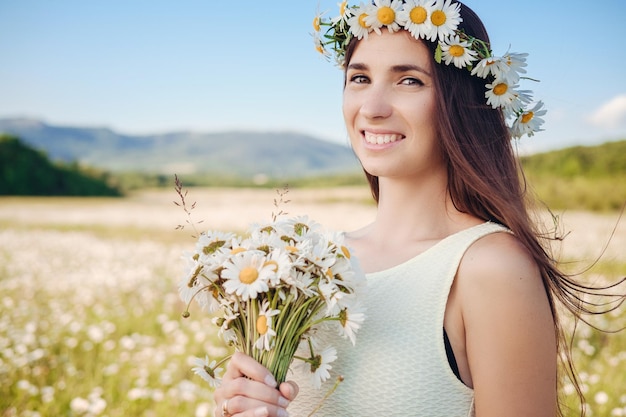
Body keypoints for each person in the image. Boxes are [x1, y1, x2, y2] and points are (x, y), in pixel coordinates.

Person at [212, 1, 624, 416]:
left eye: (409, 81)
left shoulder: (488, 267)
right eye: (359, 77)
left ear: (461, 100)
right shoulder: (312, 266)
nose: (372, 107)